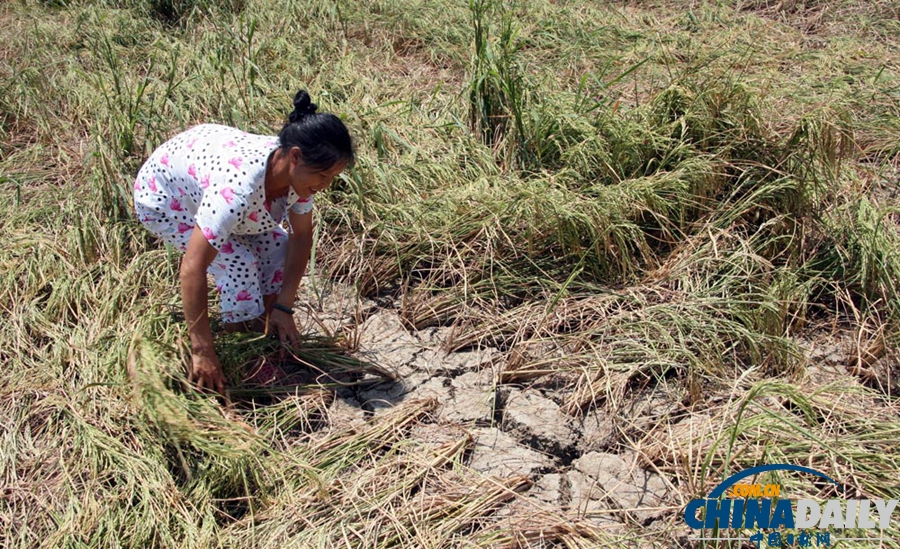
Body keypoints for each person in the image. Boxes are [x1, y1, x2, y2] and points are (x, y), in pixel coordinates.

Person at [133, 90, 353, 394]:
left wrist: (284, 308)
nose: (324, 186)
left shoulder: (300, 178)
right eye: (323, 176)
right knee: (237, 261)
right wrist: (202, 351)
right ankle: (241, 353)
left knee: (277, 246)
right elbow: (192, 268)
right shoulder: (238, 190)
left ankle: (266, 329)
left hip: (207, 172)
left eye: (332, 178)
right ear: (296, 156)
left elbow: (301, 237)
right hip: (167, 196)